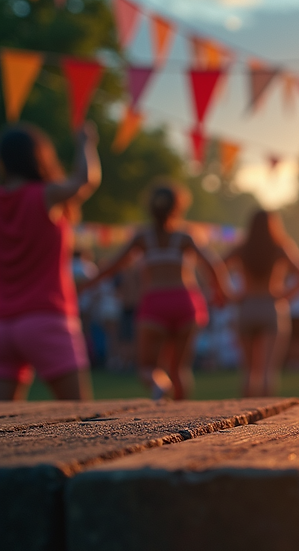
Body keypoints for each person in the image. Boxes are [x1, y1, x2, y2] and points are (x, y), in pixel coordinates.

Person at [85, 185, 228, 399]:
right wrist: (220, 292)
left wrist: (86, 285)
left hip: (155, 303)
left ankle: (160, 385)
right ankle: (185, 424)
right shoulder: (185, 236)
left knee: (147, 367)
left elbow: (113, 266)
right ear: (179, 206)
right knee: (180, 369)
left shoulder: (142, 237)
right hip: (185, 302)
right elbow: (213, 265)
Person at [0, 124, 100, 401]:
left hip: (3, 325)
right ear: (39, 156)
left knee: (5, 426)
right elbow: (85, 180)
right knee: (79, 418)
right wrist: (84, 143)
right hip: (46, 319)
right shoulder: (44, 194)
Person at [225, 210, 299, 397]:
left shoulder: (242, 248)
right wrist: (285, 296)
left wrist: (230, 294)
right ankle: (266, 421)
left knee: (249, 372)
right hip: (270, 306)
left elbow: (216, 268)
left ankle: (245, 418)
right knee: (268, 371)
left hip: (246, 306)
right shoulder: (279, 248)